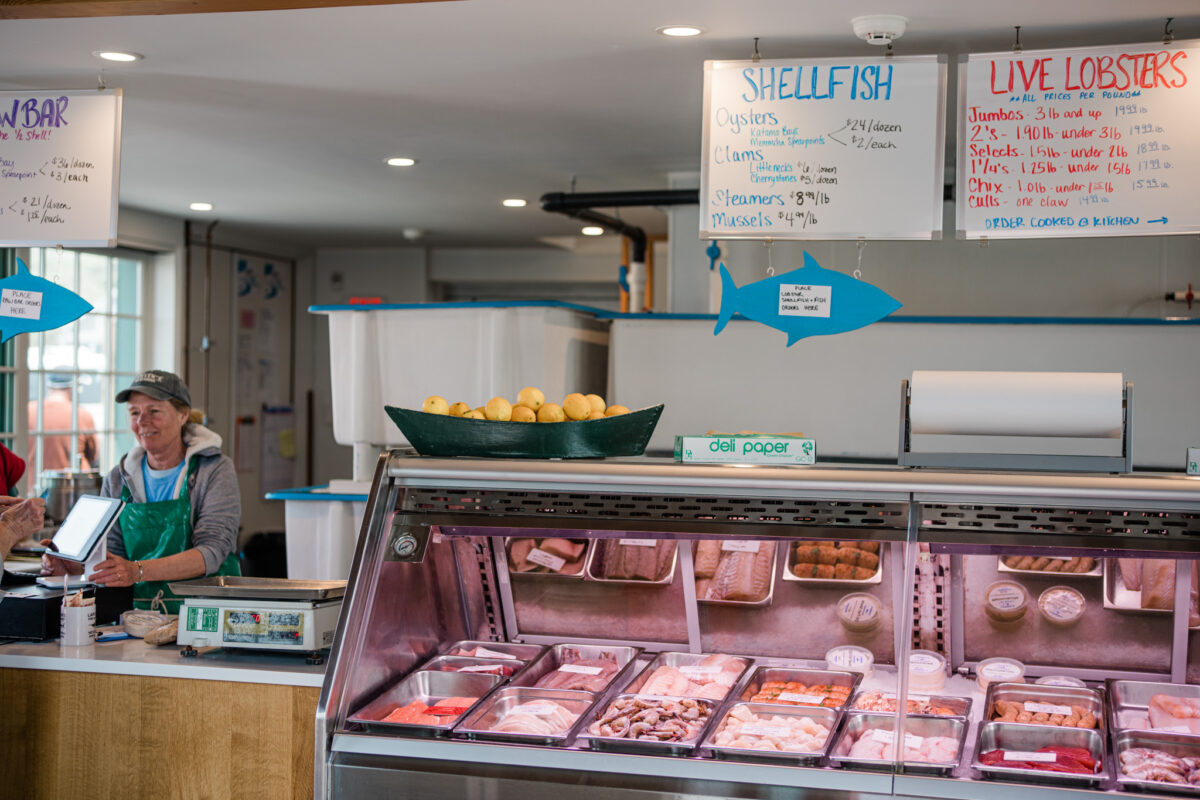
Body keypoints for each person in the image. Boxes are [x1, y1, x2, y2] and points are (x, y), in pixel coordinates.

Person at [43, 370, 241, 611]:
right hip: (138, 616)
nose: (142, 421)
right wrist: (74, 567)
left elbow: (211, 552)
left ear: (183, 415)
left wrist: (136, 570)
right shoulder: (119, 478)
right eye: (135, 412)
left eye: (154, 411)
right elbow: (111, 555)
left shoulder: (213, 470)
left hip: (206, 613)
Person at [29, 373, 99, 471]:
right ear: (73, 387)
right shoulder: (81, 414)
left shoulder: (28, 411)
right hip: (71, 483)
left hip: (31, 482)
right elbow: (93, 456)